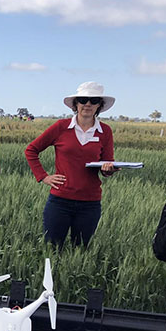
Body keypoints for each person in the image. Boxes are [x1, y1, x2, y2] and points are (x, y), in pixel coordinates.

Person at [24, 81, 117, 248]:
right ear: (75, 104)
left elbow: (107, 163)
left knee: (80, 251)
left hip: (90, 203)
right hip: (59, 202)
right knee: (52, 249)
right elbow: (31, 150)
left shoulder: (105, 131)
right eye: (82, 100)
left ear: (99, 105)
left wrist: (109, 169)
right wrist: (43, 177)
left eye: (94, 100)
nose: (87, 104)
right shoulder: (61, 127)